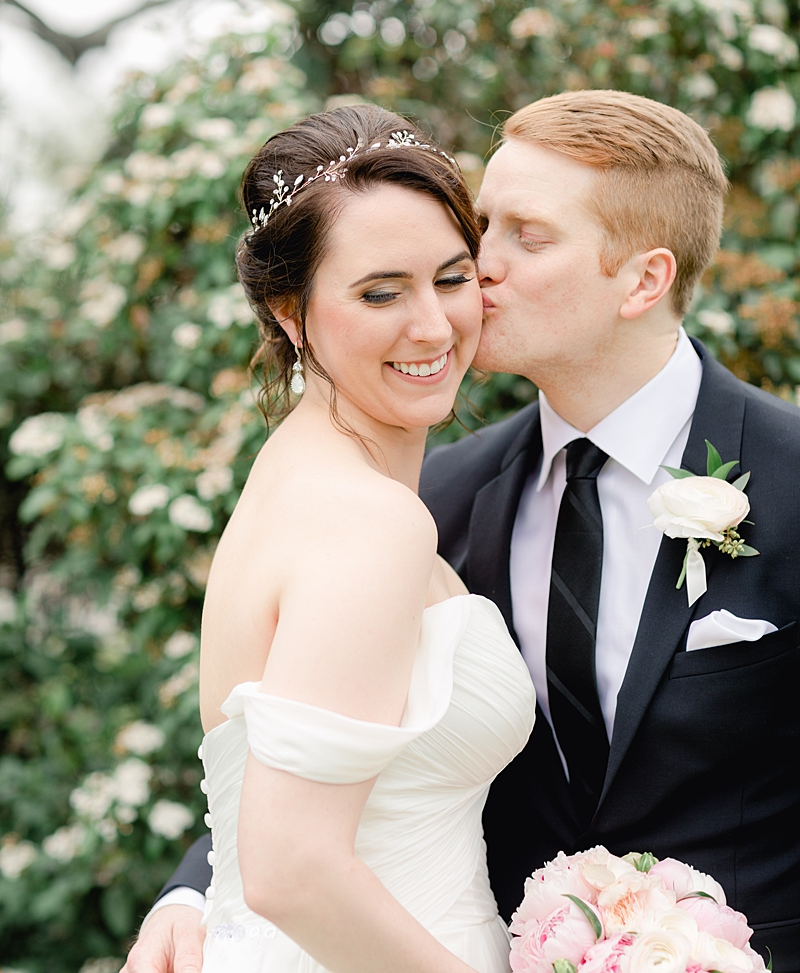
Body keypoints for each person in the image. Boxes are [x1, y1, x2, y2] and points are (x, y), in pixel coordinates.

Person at [126, 91, 800, 972]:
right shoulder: (434, 494)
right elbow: (298, 737)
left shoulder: (789, 480)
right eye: (482, 223)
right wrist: (195, 888)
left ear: (644, 279)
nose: (478, 265)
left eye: (527, 234)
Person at [139, 103, 537, 973]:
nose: (432, 326)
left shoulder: (295, 475)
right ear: (291, 314)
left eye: (453, 277)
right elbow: (290, 868)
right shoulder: (369, 518)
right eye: (380, 293)